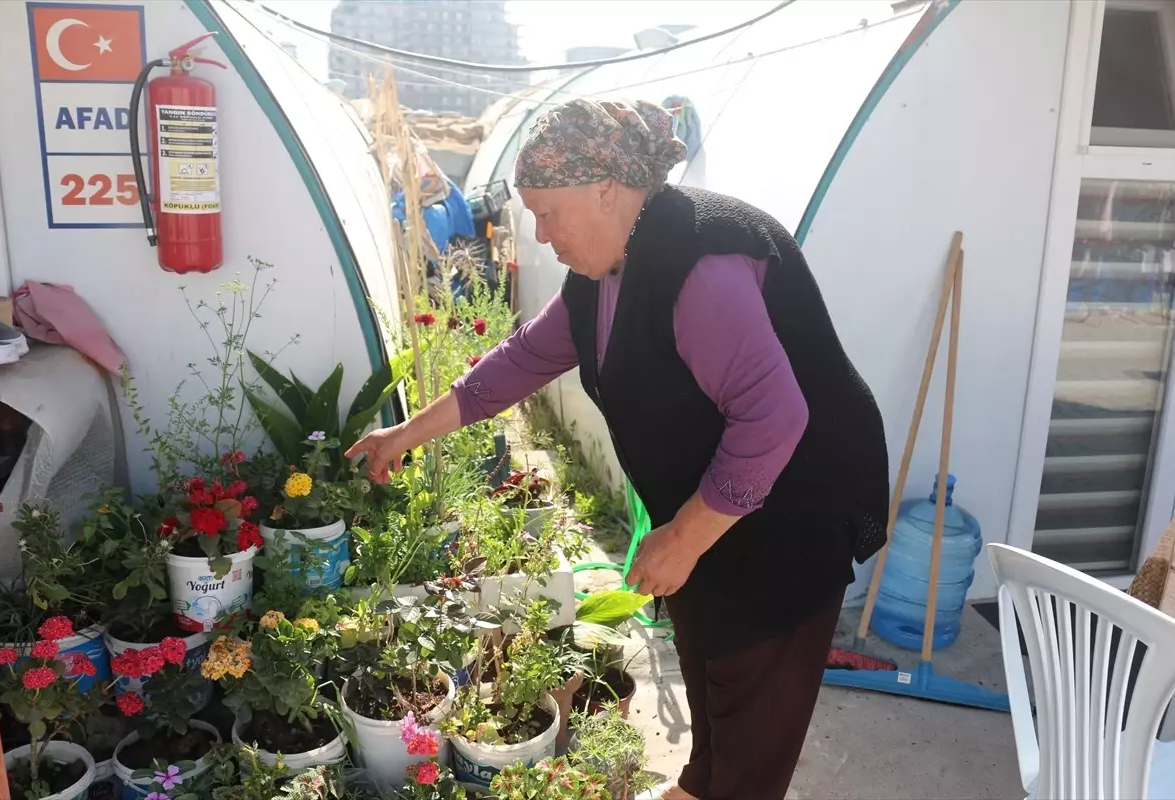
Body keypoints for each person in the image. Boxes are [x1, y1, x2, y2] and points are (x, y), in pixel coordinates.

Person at [346, 98, 890, 800]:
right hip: (711, 514)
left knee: (752, 731)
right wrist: (405, 432)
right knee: (710, 677)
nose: (539, 235)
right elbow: (518, 361)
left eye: (547, 212)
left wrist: (686, 539)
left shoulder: (699, 270)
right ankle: (698, 782)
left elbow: (774, 418)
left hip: (788, 525)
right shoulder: (604, 273)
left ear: (606, 190)